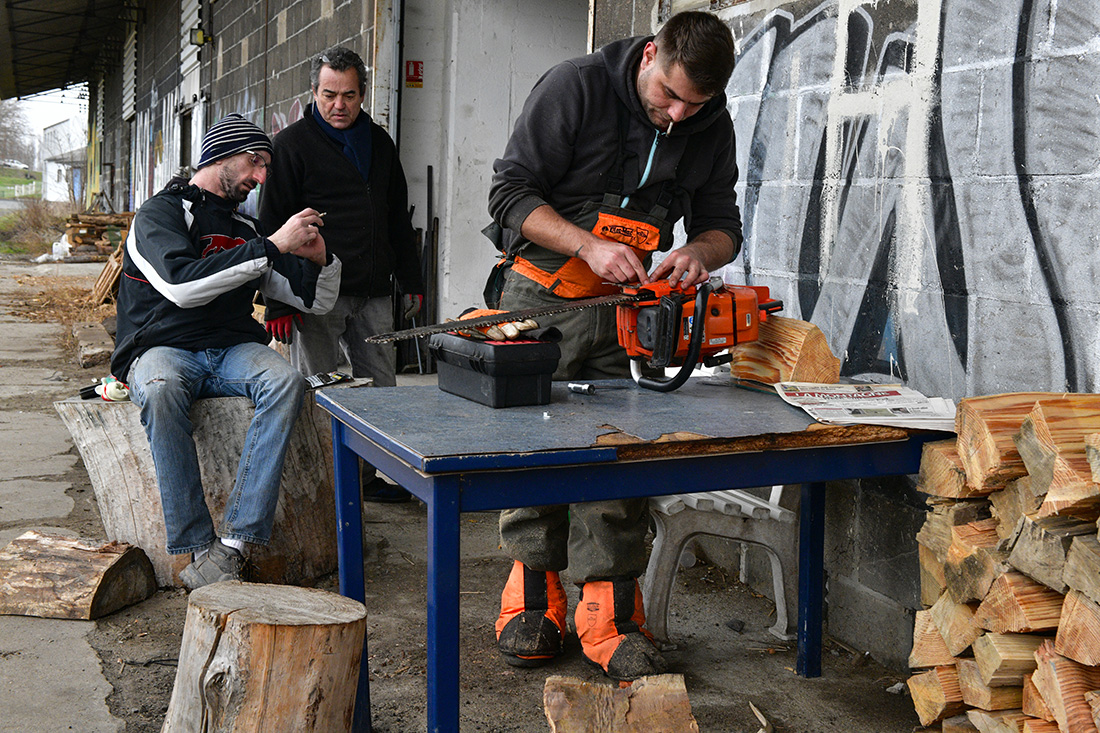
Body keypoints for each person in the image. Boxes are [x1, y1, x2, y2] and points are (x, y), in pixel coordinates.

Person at [487, 11, 742, 681]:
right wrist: (588, 245)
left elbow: (723, 228)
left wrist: (695, 252)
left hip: (631, 314)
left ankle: (609, 613)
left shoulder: (707, 124)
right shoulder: (575, 87)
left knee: (619, 457)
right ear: (650, 54)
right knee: (535, 450)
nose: (678, 114)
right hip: (542, 301)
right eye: (669, 94)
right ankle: (531, 597)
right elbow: (509, 195)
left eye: (696, 104)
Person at [111, 113, 342, 590]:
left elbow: (311, 300)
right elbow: (181, 286)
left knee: (285, 381)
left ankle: (233, 544)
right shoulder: (160, 214)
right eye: (254, 162)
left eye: (266, 168)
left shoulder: (246, 228)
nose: (260, 177)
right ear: (220, 154)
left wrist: (321, 259)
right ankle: (197, 546)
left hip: (232, 347)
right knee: (159, 389)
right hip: (162, 347)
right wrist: (272, 245)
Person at [259, 45, 424, 503]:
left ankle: (370, 480)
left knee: (381, 392)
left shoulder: (380, 142)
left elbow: (396, 217)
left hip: (373, 292)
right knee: (319, 391)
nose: (339, 105)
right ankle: (323, 486)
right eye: (329, 94)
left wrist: (412, 281)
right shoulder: (290, 146)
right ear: (313, 91)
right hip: (315, 297)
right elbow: (272, 226)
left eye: (349, 95)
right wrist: (276, 301)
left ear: (362, 94)